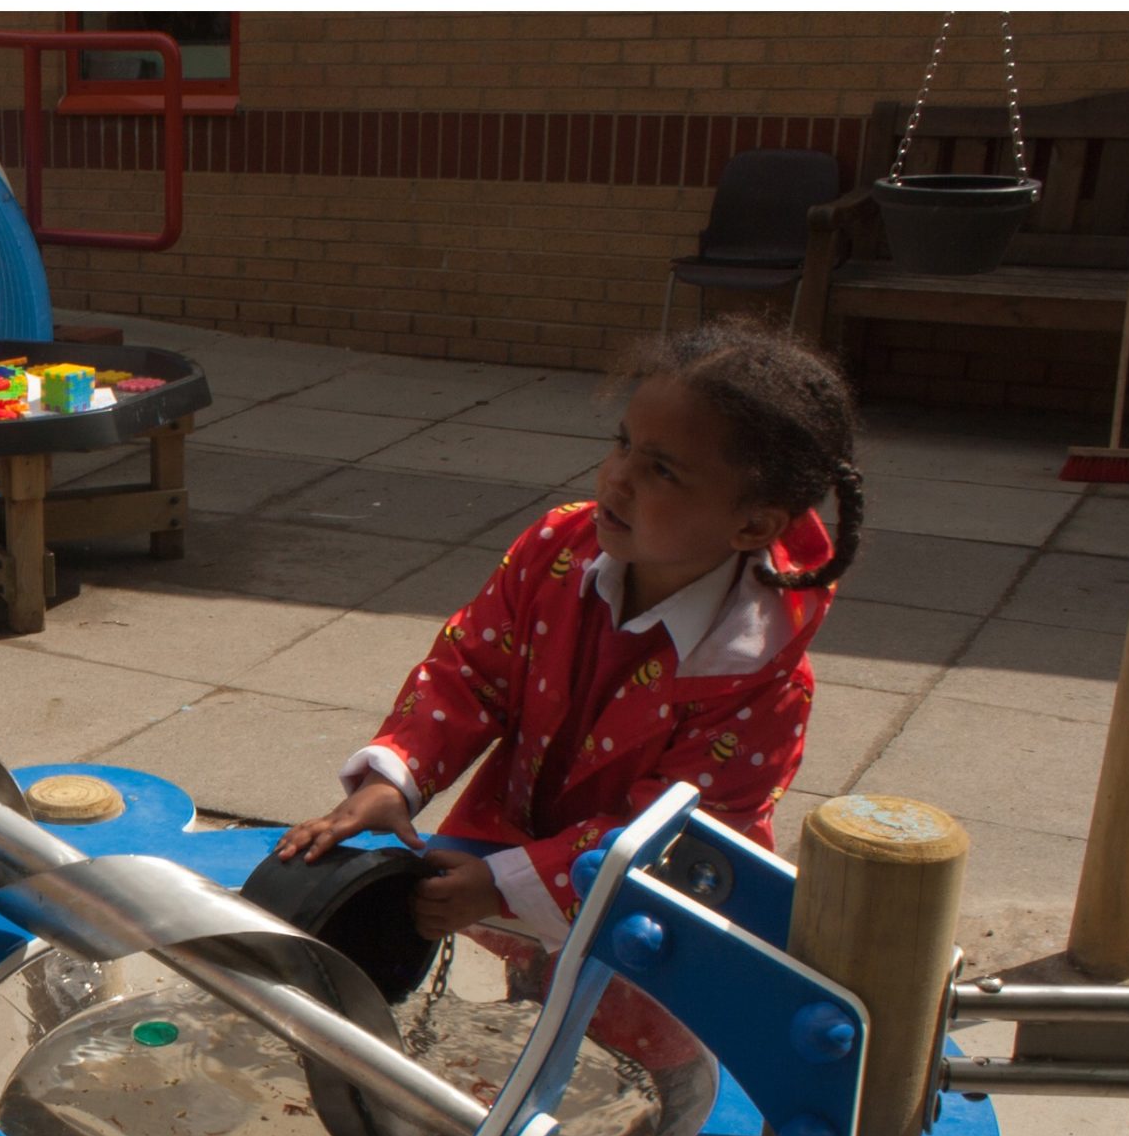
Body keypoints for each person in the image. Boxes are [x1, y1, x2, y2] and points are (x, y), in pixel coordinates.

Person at [278, 319, 863, 947]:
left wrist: (504, 886)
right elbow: (471, 673)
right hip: (514, 839)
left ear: (751, 526)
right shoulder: (557, 549)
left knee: (632, 1031)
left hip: (649, 907)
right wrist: (393, 779)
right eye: (622, 443)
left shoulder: (758, 679)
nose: (616, 477)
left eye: (662, 471)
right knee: (529, 1005)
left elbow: (671, 834)